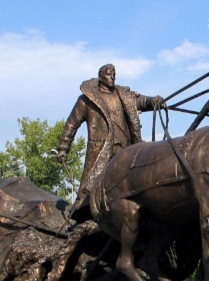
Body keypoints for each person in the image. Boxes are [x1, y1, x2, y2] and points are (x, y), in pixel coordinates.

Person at [56, 63, 166, 218]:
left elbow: (139, 101)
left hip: (124, 148)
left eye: (114, 74)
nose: (112, 77)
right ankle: (82, 215)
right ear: (101, 76)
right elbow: (71, 124)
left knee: (128, 183)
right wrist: (63, 148)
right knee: (92, 185)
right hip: (101, 149)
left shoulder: (122, 95)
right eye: (109, 74)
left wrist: (153, 101)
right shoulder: (87, 100)